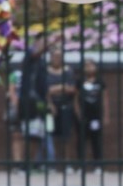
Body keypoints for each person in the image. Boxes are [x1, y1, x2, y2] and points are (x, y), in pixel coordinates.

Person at [18, 36, 53, 169]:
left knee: (38, 134)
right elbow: (35, 53)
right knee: (27, 134)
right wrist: (53, 41)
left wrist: (49, 102)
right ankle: (23, 164)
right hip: (28, 101)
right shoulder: (29, 55)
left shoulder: (42, 62)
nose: (46, 44)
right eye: (43, 41)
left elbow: (45, 85)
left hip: (40, 101)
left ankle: (33, 163)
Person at [45, 43, 78, 172]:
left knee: (66, 136)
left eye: (59, 56)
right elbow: (45, 90)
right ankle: (52, 163)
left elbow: (72, 89)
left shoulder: (68, 71)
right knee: (51, 136)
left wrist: (56, 89)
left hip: (66, 106)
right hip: (51, 106)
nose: (57, 58)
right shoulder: (46, 71)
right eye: (55, 56)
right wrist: (51, 101)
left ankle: (67, 163)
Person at [76, 58, 107, 172]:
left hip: (96, 116)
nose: (89, 68)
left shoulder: (99, 81)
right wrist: (78, 113)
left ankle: (98, 165)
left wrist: (105, 115)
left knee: (96, 141)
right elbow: (75, 98)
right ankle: (81, 165)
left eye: (91, 65)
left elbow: (105, 99)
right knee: (81, 141)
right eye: (86, 66)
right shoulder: (80, 81)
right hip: (84, 115)